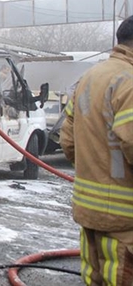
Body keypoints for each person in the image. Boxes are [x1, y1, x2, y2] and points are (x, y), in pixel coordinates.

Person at [60, 15, 133, 286]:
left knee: (94, 278)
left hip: (88, 209)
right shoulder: (130, 81)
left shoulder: (89, 77)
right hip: (125, 218)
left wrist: (95, 169)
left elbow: (68, 142)